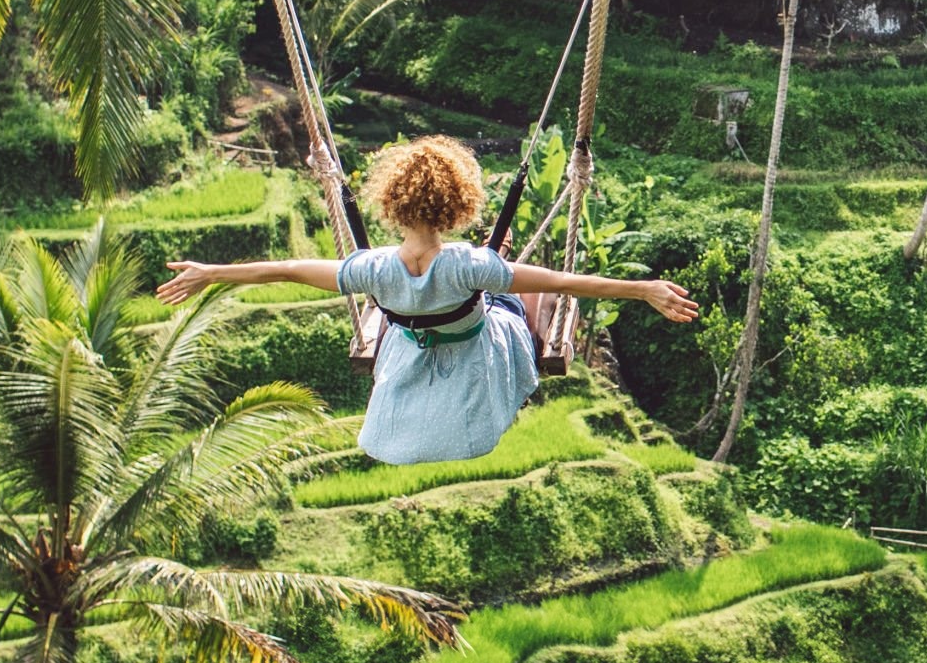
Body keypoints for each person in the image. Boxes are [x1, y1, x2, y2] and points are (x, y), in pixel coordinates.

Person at [155, 136, 699, 465]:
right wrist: (643, 288)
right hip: (478, 336)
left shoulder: (372, 270)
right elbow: (569, 281)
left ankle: (484, 292)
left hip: (410, 338)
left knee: (483, 286)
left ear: (392, 205)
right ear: (459, 204)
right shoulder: (470, 264)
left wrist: (211, 273)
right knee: (524, 289)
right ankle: (511, 291)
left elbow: (287, 270)